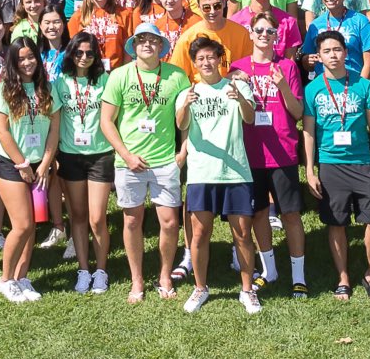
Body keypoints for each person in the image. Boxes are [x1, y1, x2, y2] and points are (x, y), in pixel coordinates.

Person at [100, 21, 191, 302]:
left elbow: (186, 120)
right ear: (134, 46)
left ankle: (165, 275)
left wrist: (183, 152)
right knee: (131, 220)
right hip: (129, 162)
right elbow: (106, 121)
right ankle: (136, 279)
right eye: (141, 40)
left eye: (153, 40)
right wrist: (126, 156)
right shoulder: (119, 76)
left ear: (162, 46)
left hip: (165, 161)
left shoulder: (177, 76)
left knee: (169, 221)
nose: (147, 44)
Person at [173, 35, 263, 314]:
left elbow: (249, 119)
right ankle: (200, 288)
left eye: (211, 57)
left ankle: (247, 290)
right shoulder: (187, 92)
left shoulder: (237, 87)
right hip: (202, 172)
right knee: (199, 235)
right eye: (200, 59)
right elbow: (181, 124)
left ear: (219, 59)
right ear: (195, 64)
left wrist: (240, 99)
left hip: (236, 172)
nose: (206, 62)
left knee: (243, 234)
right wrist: (185, 105)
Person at [303, 28, 370, 300]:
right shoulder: (312, 89)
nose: (333, 55)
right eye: (327, 51)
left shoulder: (363, 85)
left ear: (346, 52)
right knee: (336, 223)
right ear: (319, 56)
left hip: (363, 162)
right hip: (330, 164)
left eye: (337, 50)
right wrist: (309, 169)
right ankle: (343, 277)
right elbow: (308, 131)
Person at [236, 14, 310, 298]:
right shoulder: (239, 68)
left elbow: (297, 112)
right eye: (259, 30)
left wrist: (281, 85)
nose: (265, 34)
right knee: (258, 215)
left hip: (282, 153)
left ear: (277, 36)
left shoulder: (288, 66)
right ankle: (270, 270)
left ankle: (299, 276)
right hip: (251, 154)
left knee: (290, 215)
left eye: (270, 30)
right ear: (251, 34)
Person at [0, 37, 60, 303]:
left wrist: (43, 164)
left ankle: (22, 277)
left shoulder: (47, 88)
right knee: (21, 225)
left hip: (39, 165)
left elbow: (54, 129)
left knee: (32, 226)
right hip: (11, 164)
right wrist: (22, 164)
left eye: (31, 57)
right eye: (21, 58)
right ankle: (5, 279)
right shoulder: (3, 90)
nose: (27, 62)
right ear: (13, 62)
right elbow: (1, 130)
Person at [53, 34, 115, 294]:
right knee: (77, 216)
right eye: (78, 52)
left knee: (97, 217)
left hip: (100, 154)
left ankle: (101, 270)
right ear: (71, 54)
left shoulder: (105, 80)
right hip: (70, 154)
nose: (84, 58)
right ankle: (83, 269)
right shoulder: (60, 82)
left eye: (89, 53)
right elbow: (55, 120)